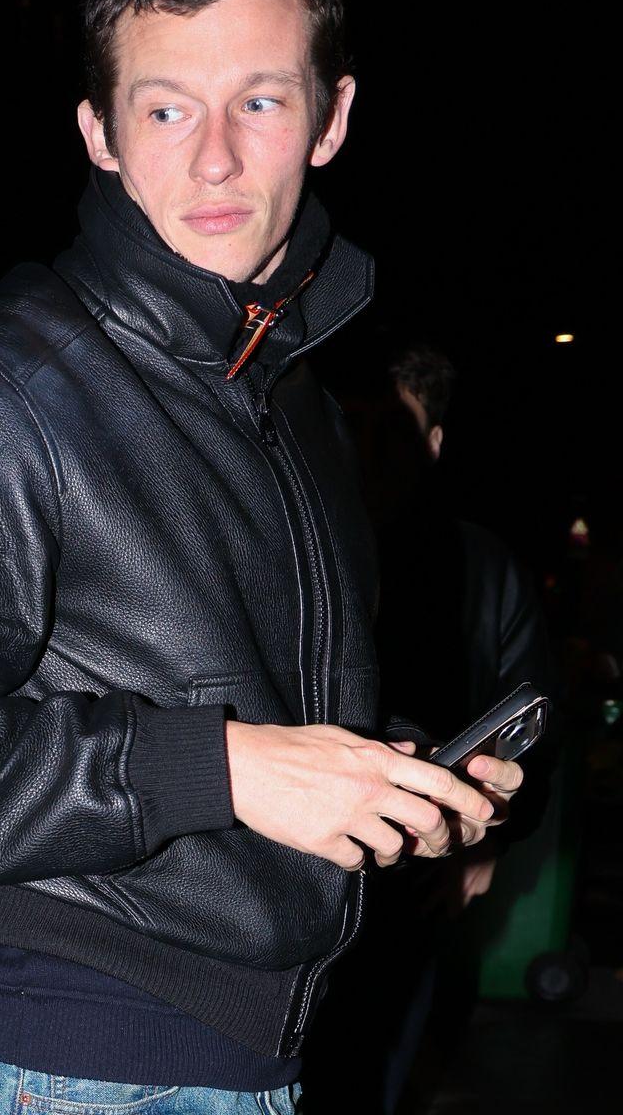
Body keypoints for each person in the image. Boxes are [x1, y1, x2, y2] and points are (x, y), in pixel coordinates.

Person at [0, 0, 525, 1114]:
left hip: (251, 1064)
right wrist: (225, 768)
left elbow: (239, 696)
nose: (217, 159)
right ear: (100, 132)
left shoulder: (293, 399)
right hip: (54, 1069)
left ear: (333, 117)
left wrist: (384, 777)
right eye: (168, 108)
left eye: (260, 101)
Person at [303, 342, 557, 1112]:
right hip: (295, 871)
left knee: (375, 1073)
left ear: (435, 442)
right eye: (355, 425)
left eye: (397, 430)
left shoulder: (481, 563)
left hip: (416, 874)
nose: (371, 451)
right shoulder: (292, 545)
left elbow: (533, 711)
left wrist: (493, 841)